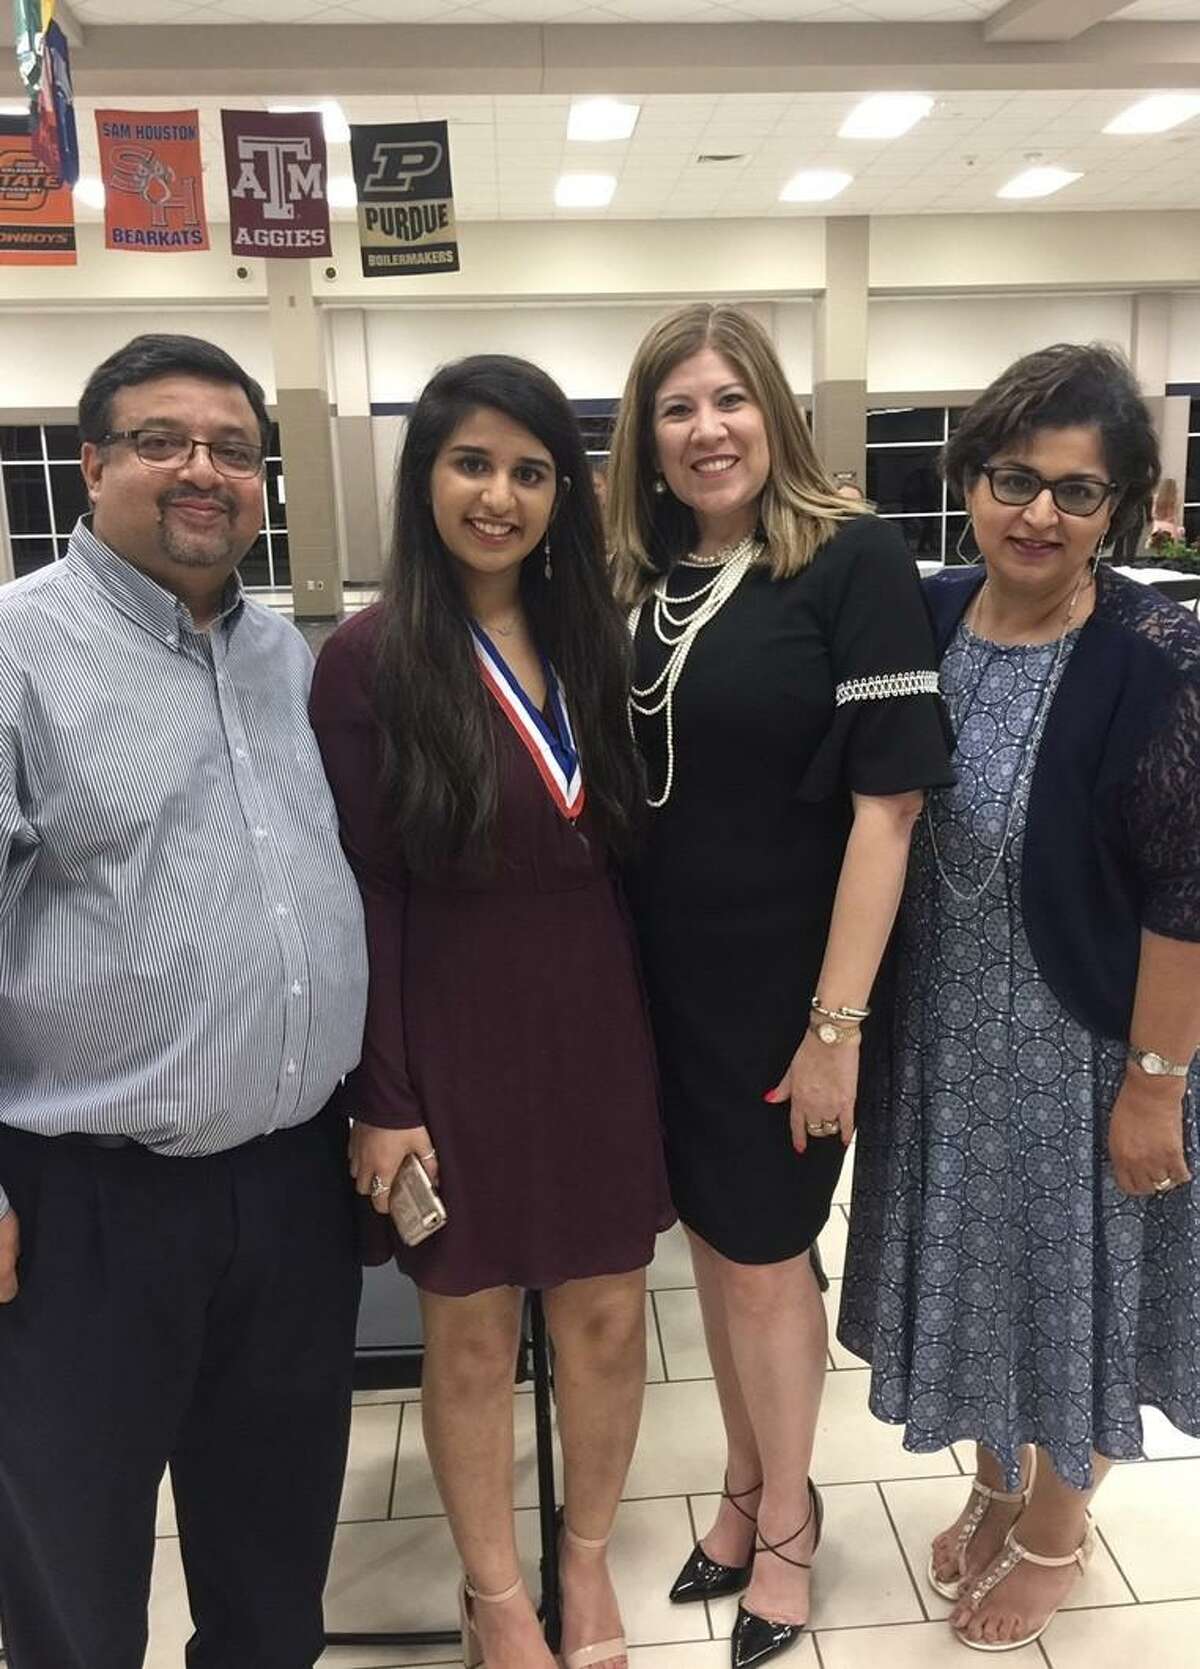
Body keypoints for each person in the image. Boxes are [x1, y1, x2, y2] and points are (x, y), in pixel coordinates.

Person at [0, 334, 368, 1669]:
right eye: (164, 440)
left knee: (273, 1575)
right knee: (74, 1582)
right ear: (91, 465)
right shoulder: (17, 654)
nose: (201, 469)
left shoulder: (287, 662)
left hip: (288, 1196)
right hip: (82, 1212)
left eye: (231, 447)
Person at [309, 354, 673, 1669]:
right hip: (448, 1024)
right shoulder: (367, 658)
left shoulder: (598, 638)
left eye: (531, 471)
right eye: (472, 463)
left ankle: (583, 1565)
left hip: (596, 1017)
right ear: (426, 479)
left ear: (562, 493)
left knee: (607, 1310)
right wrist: (384, 1094)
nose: (500, 495)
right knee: (466, 1326)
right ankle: (495, 1593)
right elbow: (364, 887)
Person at [606, 303, 953, 1668]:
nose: (707, 429)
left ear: (776, 414)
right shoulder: (638, 572)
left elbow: (892, 809)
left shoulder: (850, 557)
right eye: (678, 406)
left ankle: (793, 1526)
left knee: (762, 1266)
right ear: (647, 433)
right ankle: (747, 1489)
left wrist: (836, 1027)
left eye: (729, 399)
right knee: (712, 1248)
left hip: (790, 989)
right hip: (662, 980)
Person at [839, 342, 1200, 1653]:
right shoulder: (928, 616)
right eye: (1012, 479)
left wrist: (1154, 1084)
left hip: (1085, 1043)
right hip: (946, 1036)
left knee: (1068, 1292)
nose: (1038, 514)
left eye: (1078, 491)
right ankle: (994, 1478)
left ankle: (1058, 1527)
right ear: (969, 481)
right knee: (982, 1283)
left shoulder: (1154, 653)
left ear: (1123, 508)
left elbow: (1188, 892)